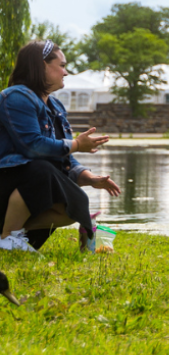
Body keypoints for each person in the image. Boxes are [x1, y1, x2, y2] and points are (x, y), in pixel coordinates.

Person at [0, 40, 121, 252]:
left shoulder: (55, 105)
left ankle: (12, 240)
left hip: (32, 184)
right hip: (7, 182)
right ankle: (9, 235)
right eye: (62, 65)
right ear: (41, 66)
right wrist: (76, 144)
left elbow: (64, 158)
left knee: (74, 206)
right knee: (42, 169)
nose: (66, 72)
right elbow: (31, 146)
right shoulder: (16, 96)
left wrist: (89, 178)